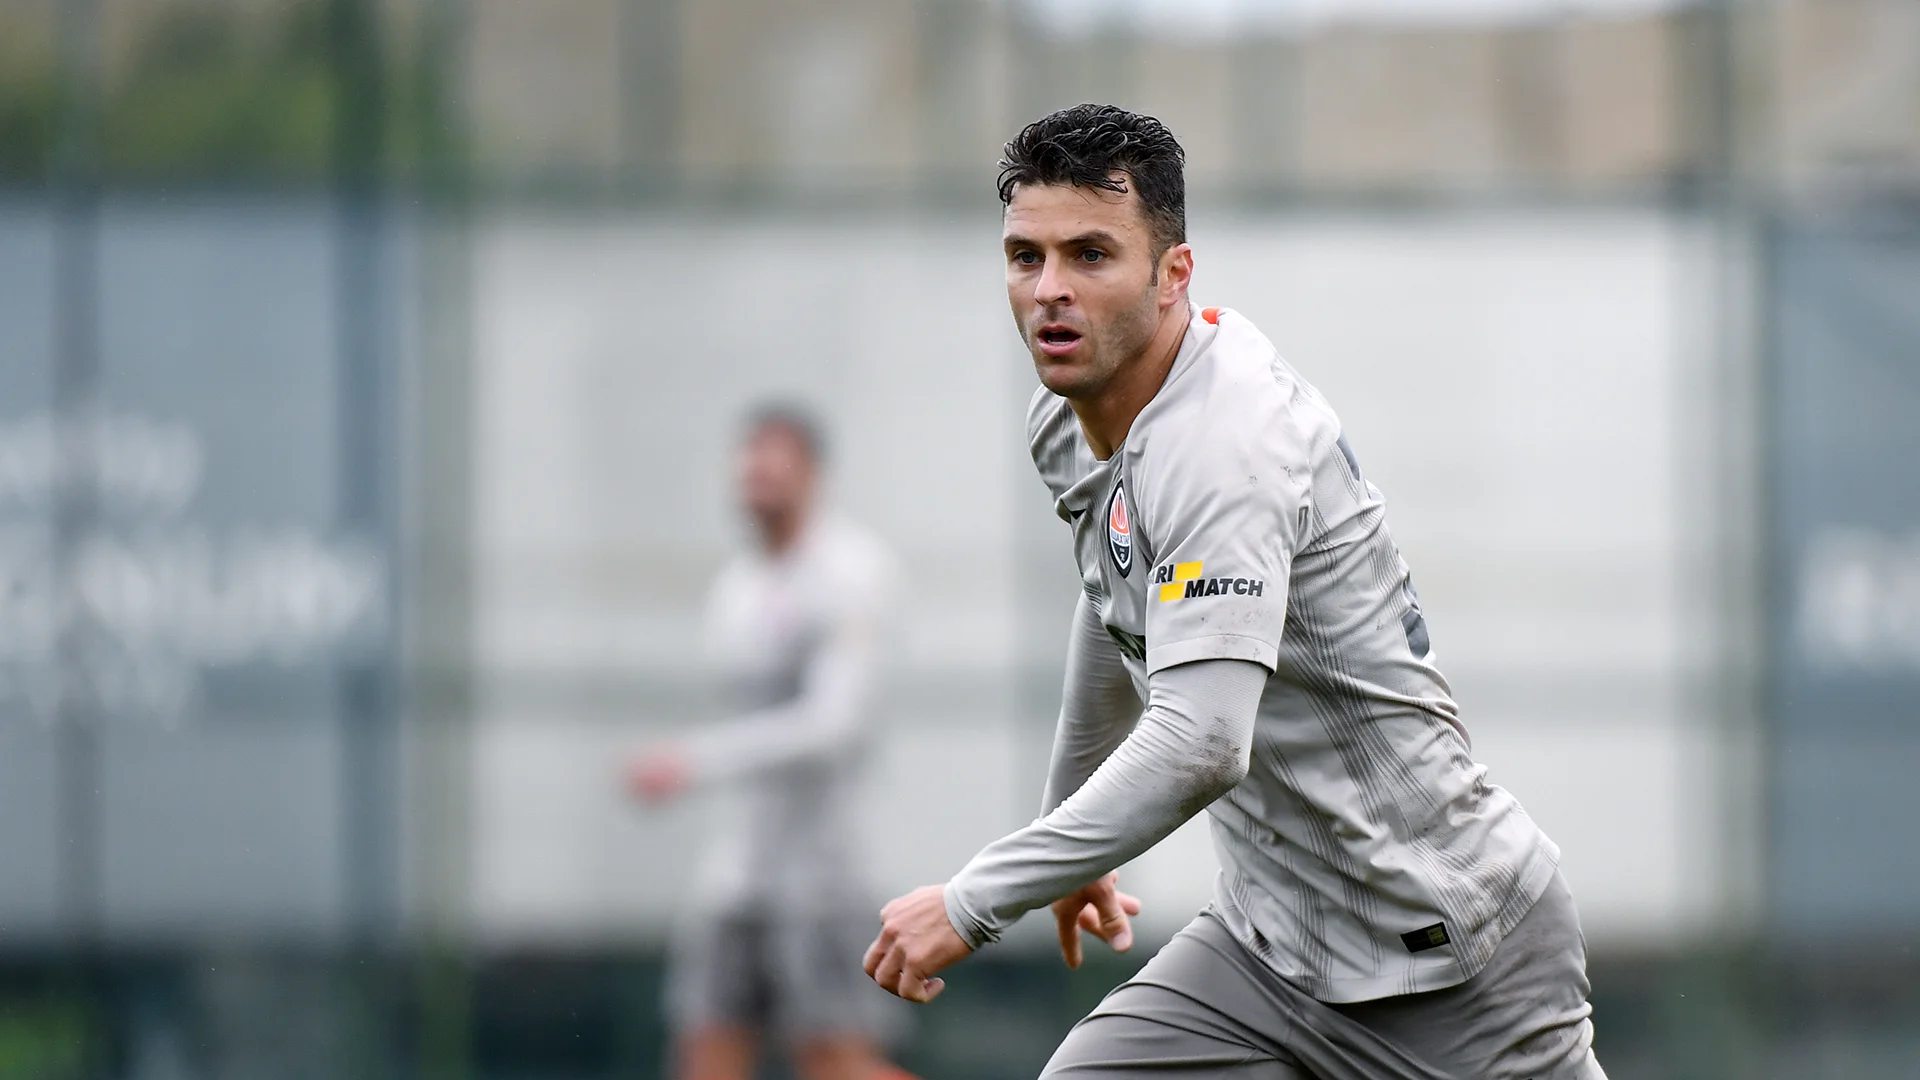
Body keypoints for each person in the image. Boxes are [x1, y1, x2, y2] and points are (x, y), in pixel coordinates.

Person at [862, 104, 1607, 1079]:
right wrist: (1070, 837)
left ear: (1174, 274)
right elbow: (1116, 595)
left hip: (1447, 958)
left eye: (1091, 255)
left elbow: (1203, 742)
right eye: (1025, 257)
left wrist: (974, 901)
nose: (1049, 290)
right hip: (1269, 953)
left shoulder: (1226, 443)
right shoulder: (1070, 415)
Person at [628, 405, 914, 1080]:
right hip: (736, 875)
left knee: (834, 1063)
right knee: (705, 1050)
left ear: (813, 475)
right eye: (750, 468)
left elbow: (834, 724)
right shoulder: (738, 586)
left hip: (825, 875)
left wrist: (693, 761)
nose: (759, 481)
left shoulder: (853, 572)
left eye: (775, 467)